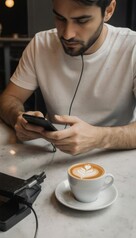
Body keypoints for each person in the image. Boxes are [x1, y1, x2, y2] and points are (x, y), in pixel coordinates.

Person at [0, 0, 136, 155]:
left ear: (109, 10)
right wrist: (18, 118)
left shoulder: (132, 47)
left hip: (116, 156)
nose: (67, 34)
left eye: (82, 21)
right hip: (53, 154)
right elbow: (9, 98)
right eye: (60, 18)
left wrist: (99, 138)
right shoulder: (40, 44)